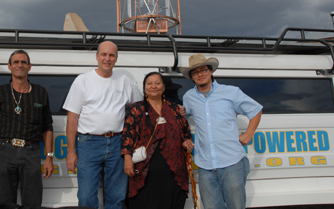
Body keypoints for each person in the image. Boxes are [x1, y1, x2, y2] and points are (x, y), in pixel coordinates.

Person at [63, 41, 143, 209]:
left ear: (116, 58)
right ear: (97, 56)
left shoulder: (125, 81)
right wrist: (71, 151)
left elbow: (140, 110)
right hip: (88, 143)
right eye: (104, 55)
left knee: (116, 197)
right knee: (86, 198)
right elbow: (72, 118)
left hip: (117, 143)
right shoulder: (82, 81)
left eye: (111, 55)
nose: (107, 59)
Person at [181, 54, 263, 209]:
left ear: (211, 71)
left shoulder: (231, 92)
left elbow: (256, 110)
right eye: (195, 72)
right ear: (191, 77)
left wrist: (249, 133)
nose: (200, 74)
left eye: (203, 70)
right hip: (205, 164)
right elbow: (183, 119)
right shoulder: (189, 97)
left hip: (232, 161)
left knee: (236, 206)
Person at [0, 50, 54, 207]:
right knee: (6, 202)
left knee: (33, 201)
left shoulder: (41, 92)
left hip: (31, 151)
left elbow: (47, 127)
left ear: (29, 66)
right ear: (9, 66)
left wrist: (49, 157)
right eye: (16, 62)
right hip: (5, 150)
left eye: (23, 62)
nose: (20, 65)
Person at [121, 72, 193, 209]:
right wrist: (127, 159)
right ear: (144, 88)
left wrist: (187, 142)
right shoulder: (136, 109)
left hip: (174, 171)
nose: (153, 86)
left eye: (158, 83)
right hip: (145, 171)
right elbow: (127, 136)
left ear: (164, 87)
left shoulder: (175, 109)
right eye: (149, 83)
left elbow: (185, 133)